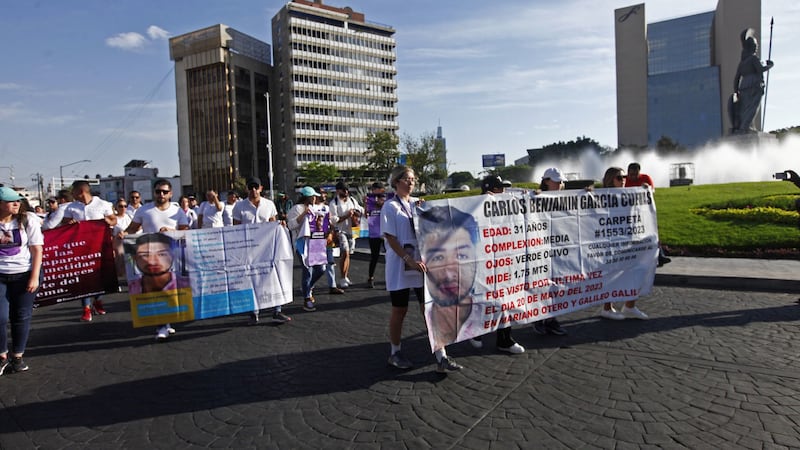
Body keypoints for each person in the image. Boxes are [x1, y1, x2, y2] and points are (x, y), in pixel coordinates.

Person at [382, 166, 462, 373]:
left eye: (413, 179)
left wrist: (425, 212)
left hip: (421, 265)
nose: (411, 182)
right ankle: (395, 352)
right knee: (399, 310)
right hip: (400, 265)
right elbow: (390, 237)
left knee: (429, 309)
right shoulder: (390, 206)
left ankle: (441, 356)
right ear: (396, 182)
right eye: (407, 179)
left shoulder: (418, 203)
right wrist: (408, 259)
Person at [120, 179, 189, 340]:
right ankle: (161, 326)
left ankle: (167, 322)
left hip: (173, 257)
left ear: (171, 194)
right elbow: (132, 229)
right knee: (155, 290)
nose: (161, 194)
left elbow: (186, 231)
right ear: (154, 193)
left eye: (165, 192)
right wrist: (124, 233)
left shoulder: (177, 211)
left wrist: (171, 230)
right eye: (158, 191)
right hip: (151, 258)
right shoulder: (144, 210)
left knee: (171, 291)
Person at [467, 175, 526, 353]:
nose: (504, 191)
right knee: (485, 298)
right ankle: (476, 330)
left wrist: (531, 197)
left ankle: (504, 339)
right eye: (501, 188)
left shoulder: (507, 204)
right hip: (484, 262)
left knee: (506, 297)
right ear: (490, 190)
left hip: (505, 260)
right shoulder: (475, 207)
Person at [232, 177, 288, 324]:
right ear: (247, 189)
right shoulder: (239, 206)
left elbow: (273, 225)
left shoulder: (269, 204)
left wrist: (280, 225)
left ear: (261, 188)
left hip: (266, 248)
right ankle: (253, 313)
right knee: (251, 280)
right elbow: (235, 229)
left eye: (256, 187)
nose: (253, 190)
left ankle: (277, 310)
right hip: (248, 249)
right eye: (251, 187)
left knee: (272, 277)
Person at [0, 186, 43, 375]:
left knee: (21, 315)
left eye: (17, 200)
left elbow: (37, 249)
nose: (16, 203)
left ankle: (17, 357)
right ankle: (1, 355)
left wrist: (34, 276)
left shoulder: (28, 220)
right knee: (1, 317)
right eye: (11, 201)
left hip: (24, 274)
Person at [61, 180, 117, 321]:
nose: (71, 194)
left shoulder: (103, 204)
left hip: (99, 246)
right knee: (83, 277)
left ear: (81, 192)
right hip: (80, 247)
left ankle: (98, 301)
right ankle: (86, 308)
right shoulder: (71, 207)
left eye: (73, 191)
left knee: (99, 276)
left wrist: (108, 221)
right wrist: (70, 223)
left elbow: (113, 220)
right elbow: (64, 223)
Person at [599, 167, 649, 320]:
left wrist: (645, 190)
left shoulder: (629, 193)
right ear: (610, 180)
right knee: (611, 274)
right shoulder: (601, 197)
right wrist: (586, 193)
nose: (623, 180)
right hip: (611, 242)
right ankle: (607, 308)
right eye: (619, 178)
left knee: (636, 271)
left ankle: (629, 306)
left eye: (624, 177)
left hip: (630, 240)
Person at [530, 168, 569, 336]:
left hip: (559, 248)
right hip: (541, 248)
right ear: (546, 181)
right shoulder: (535, 197)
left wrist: (586, 193)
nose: (560, 184)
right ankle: (540, 317)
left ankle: (551, 318)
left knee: (556, 284)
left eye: (561, 181)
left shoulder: (566, 198)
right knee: (542, 284)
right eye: (556, 181)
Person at [287, 186, 328, 314]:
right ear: (307, 197)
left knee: (321, 269)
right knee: (307, 270)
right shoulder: (296, 209)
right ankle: (307, 298)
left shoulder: (316, 208)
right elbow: (291, 225)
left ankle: (308, 287)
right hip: (302, 243)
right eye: (313, 196)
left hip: (316, 243)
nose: (315, 198)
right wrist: (304, 214)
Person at [626, 162, 671, 267]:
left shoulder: (645, 178)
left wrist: (647, 188)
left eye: (635, 174)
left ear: (639, 172)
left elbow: (652, 191)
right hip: (629, 212)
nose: (633, 177)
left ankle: (660, 255)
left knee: (651, 232)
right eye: (631, 174)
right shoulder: (623, 180)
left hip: (643, 211)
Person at [731, 29, 774, 134]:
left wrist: (736, 91)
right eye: (756, 45)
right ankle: (745, 127)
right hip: (754, 84)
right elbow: (760, 69)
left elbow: (736, 78)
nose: (757, 47)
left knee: (745, 109)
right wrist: (770, 65)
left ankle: (747, 126)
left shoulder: (742, 63)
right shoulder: (753, 59)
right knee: (753, 107)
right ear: (752, 47)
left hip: (743, 86)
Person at [329, 181, 363, 288]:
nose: (346, 192)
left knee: (349, 254)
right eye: (343, 190)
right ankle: (342, 278)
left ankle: (345, 275)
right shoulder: (334, 203)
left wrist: (356, 212)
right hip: (340, 230)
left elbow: (361, 210)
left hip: (352, 230)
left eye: (347, 190)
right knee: (345, 252)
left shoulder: (352, 200)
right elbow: (333, 220)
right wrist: (347, 215)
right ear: (338, 191)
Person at [317, 187, 344, 296]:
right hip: (316, 239)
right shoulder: (312, 208)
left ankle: (332, 286)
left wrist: (333, 232)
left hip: (327, 238)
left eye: (324, 193)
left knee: (330, 262)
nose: (324, 195)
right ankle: (309, 288)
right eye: (321, 193)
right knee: (316, 266)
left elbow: (330, 222)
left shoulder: (327, 208)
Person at [365, 181, 386, 289]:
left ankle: (391, 277)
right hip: (374, 233)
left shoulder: (387, 200)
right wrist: (366, 204)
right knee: (374, 256)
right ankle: (370, 277)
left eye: (378, 191)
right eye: (373, 191)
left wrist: (381, 203)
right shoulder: (369, 201)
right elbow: (366, 215)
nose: (375, 193)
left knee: (390, 256)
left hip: (386, 233)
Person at [111, 198, 132, 287]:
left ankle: (129, 280)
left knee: (129, 262)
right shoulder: (114, 218)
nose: (123, 208)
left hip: (129, 241)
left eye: (125, 206)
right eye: (120, 206)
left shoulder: (129, 217)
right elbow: (111, 232)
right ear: (116, 207)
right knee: (119, 262)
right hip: (118, 242)